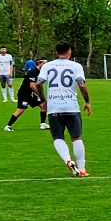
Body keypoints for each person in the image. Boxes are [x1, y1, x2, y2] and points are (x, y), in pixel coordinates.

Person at [35, 41, 91, 177]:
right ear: (69, 51)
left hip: (54, 107)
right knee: (76, 137)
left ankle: (68, 160)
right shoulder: (76, 66)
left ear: (56, 52)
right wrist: (87, 101)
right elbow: (81, 85)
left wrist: (43, 100)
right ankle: (82, 169)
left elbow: (38, 83)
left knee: (58, 137)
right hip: (71, 106)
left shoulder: (47, 66)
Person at [5, 58, 48, 131]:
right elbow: (32, 86)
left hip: (30, 94)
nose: (46, 65)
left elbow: (39, 85)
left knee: (44, 105)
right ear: (39, 63)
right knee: (21, 110)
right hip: (24, 94)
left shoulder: (41, 72)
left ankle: (43, 124)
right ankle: (8, 126)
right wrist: (40, 95)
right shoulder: (33, 71)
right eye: (44, 63)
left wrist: (42, 96)